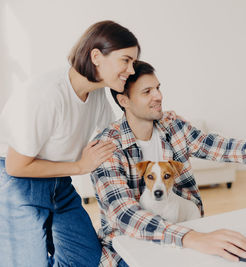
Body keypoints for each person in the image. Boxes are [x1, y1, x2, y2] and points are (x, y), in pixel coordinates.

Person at [90, 60, 246, 267]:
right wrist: (191, 238)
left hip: (185, 229)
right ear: (123, 100)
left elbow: (216, 145)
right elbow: (124, 214)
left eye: (158, 88)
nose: (158, 96)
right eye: (147, 92)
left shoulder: (172, 125)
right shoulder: (108, 146)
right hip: (129, 247)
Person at [0, 20, 143, 267]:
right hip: (18, 185)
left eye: (133, 63)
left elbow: (113, 138)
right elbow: (16, 166)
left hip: (59, 185)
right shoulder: (46, 95)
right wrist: (79, 167)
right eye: (126, 60)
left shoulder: (97, 94)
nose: (131, 70)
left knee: (86, 259)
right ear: (96, 56)